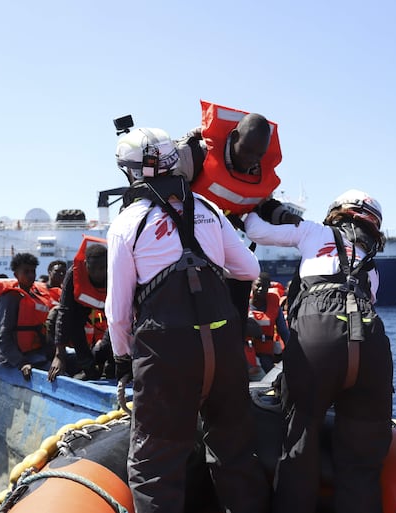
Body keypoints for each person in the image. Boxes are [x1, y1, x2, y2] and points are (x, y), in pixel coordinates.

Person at [107, 127, 269, 513]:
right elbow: (249, 268)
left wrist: (123, 361)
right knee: (234, 452)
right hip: (224, 349)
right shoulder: (209, 210)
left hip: (166, 354)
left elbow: (117, 313)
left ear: (130, 172)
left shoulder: (127, 224)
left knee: (154, 465)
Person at [244, 188, 393, 513]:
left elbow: (255, 231)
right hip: (371, 343)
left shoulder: (315, 231)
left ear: (337, 212)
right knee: (364, 462)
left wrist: (258, 205)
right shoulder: (372, 268)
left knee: (299, 441)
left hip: (319, 335)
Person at [173, 101, 302, 337]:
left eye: (259, 154)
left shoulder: (258, 170)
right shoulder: (196, 154)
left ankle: (235, 345)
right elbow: (163, 187)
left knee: (244, 275)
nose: (253, 159)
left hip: (222, 235)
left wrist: (285, 216)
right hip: (184, 237)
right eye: (248, 150)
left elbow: (263, 204)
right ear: (234, 137)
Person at [48, 236, 108, 382]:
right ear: (86, 264)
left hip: (111, 309)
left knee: (119, 329)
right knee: (72, 323)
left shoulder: (118, 274)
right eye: (93, 269)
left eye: (102, 268)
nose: (98, 274)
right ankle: (88, 369)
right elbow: (65, 313)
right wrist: (59, 355)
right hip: (81, 307)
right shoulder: (73, 274)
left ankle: (111, 367)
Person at [0, 252, 54, 380]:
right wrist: (21, 363)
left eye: (33, 271)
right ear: (16, 275)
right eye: (26, 272)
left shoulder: (34, 296)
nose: (31, 275)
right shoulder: (10, 298)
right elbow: (2, 336)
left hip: (35, 354)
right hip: (15, 360)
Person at [248, 272, 290, 373]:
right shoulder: (242, 302)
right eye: (258, 285)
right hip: (246, 351)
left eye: (265, 287)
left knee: (269, 375)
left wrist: (292, 351)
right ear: (252, 285)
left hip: (265, 353)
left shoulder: (274, 303)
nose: (261, 289)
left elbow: (283, 331)